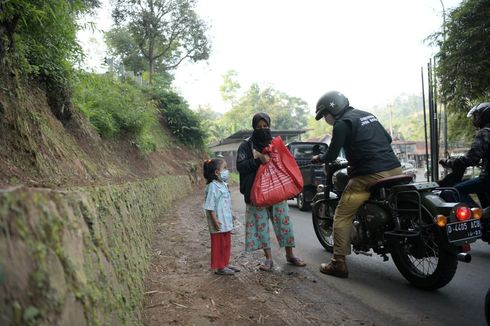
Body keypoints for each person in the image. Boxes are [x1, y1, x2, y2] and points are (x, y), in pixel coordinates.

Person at [311, 91, 402, 278]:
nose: (325, 119)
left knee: (342, 215)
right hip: (395, 170)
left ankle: (338, 262)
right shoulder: (368, 115)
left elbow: (331, 154)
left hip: (368, 175)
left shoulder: (342, 124)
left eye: (325, 115)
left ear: (332, 109)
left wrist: (319, 158)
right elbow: (388, 139)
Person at [236, 112, 306, 271]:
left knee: (283, 222)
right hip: (255, 193)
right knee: (260, 225)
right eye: (259, 127)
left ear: (269, 126)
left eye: (265, 126)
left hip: (276, 192)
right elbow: (241, 166)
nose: (263, 129)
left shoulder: (276, 144)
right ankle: (268, 259)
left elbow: (286, 163)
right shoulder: (246, 146)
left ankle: (290, 255)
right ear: (254, 127)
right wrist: (258, 160)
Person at [439, 102, 490, 208]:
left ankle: (476, 216)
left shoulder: (484, 133)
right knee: (477, 186)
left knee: (454, 190)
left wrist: (450, 162)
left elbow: (471, 159)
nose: (475, 119)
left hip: (487, 179)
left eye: (477, 116)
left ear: (485, 116)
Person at [203, 158, 240, 275]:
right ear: (216, 172)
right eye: (224, 168)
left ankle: (225, 263)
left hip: (226, 220)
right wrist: (215, 220)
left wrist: (231, 216)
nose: (227, 171)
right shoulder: (212, 187)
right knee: (218, 245)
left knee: (226, 243)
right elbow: (210, 206)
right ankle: (220, 267)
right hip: (218, 222)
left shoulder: (223, 185)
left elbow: (225, 203)